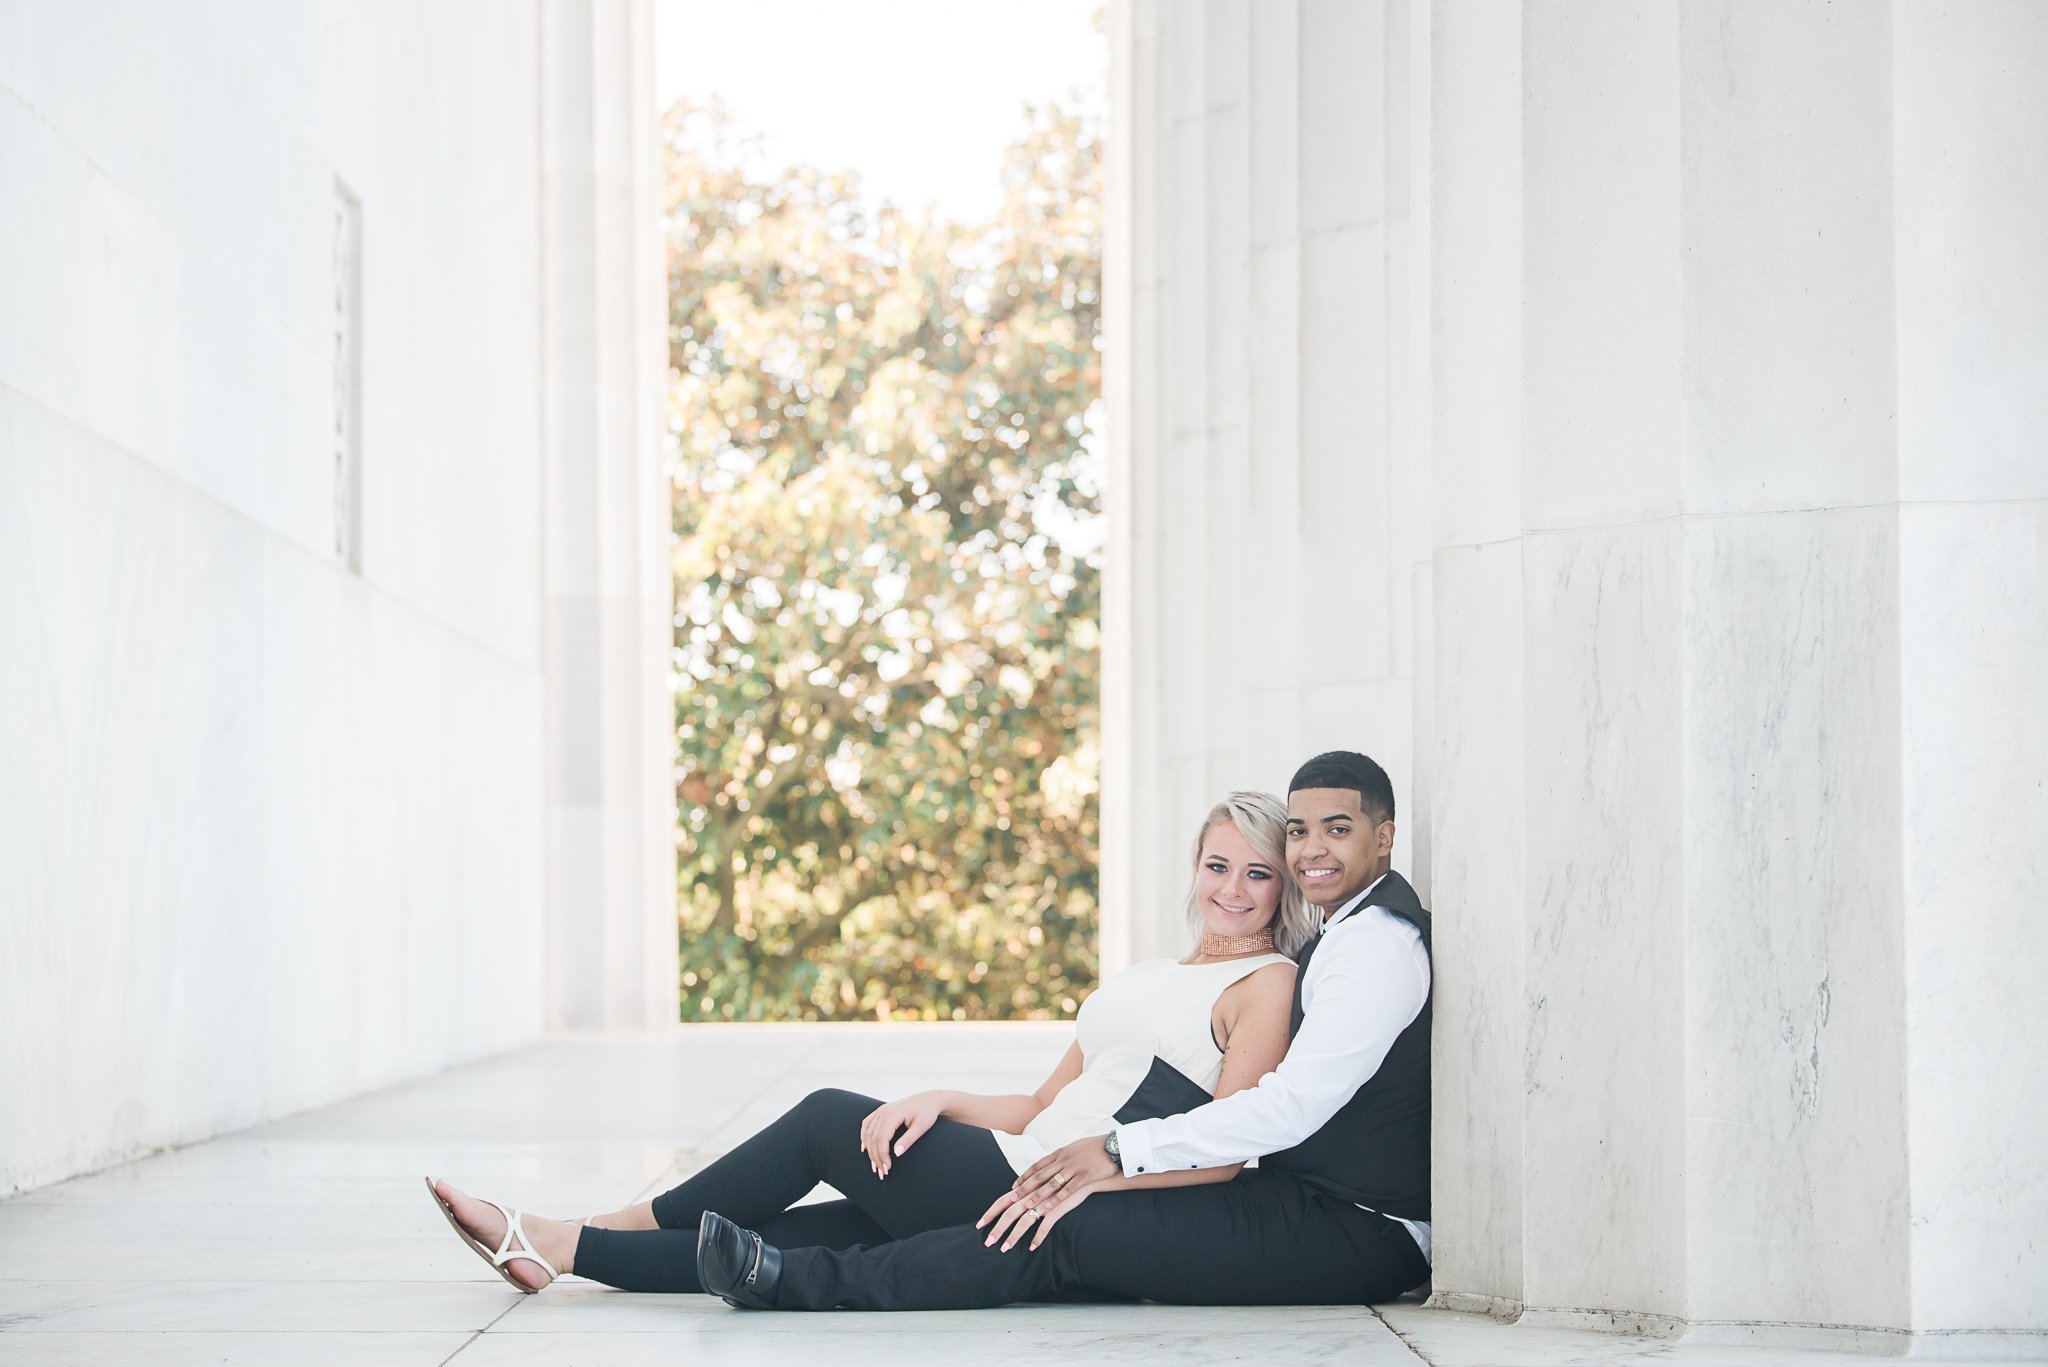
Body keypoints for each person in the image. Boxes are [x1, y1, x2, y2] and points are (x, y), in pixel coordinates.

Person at [425, 792, 1310, 1295]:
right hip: (1017, 1149)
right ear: (1195, 868)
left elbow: (1232, 1140)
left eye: (1257, 872)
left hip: (1043, 1188)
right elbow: (1042, 1104)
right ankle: (562, 1250)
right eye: (1218, 864)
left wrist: (1100, 1169)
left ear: (1280, 888)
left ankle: (595, 1222)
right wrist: (939, 1098)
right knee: (792, 1234)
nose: (1233, 888)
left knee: (824, 1121)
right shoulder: (1151, 973)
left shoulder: (1265, 981)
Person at [695, 749, 1432, 1310]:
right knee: (993, 1218)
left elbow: (1290, 1107)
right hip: (1298, 1197)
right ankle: (636, 1248)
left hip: (1361, 1227)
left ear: (1385, 835)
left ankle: (790, 1283)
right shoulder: (1343, 934)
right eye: (1300, 831)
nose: (1312, 849)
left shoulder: (1374, 946)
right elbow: (1052, 1099)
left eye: (1338, 830)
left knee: (1059, 1224)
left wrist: (1116, 1151)